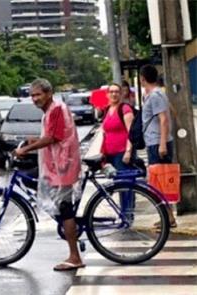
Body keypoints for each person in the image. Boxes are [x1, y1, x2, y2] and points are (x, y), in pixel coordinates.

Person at [15, 78, 84, 271]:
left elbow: (52, 138)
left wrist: (27, 149)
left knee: (65, 209)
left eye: (38, 94)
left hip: (63, 166)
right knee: (61, 205)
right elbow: (54, 136)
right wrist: (34, 140)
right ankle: (72, 248)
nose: (35, 99)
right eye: (32, 96)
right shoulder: (51, 111)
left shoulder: (55, 110)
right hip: (59, 164)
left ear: (49, 93)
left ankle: (74, 256)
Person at [139, 64, 177, 227]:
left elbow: (164, 119)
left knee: (160, 182)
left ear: (142, 79)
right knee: (158, 182)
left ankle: (168, 217)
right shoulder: (154, 95)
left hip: (157, 143)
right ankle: (167, 216)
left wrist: (162, 144)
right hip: (154, 141)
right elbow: (170, 113)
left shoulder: (155, 95)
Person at [101, 83, 136, 220]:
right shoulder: (107, 109)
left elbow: (131, 133)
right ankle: (123, 213)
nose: (114, 94)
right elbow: (104, 132)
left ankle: (128, 214)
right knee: (117, 184)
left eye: (117, 92)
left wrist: (128, 151)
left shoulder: (125, 109)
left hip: (122, 153)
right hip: (110, 154)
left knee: (125, 184)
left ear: (121, 94)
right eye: (111, 92)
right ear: (107, 94)